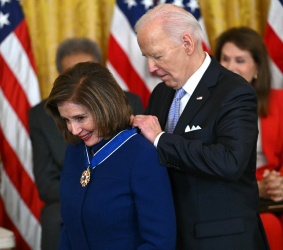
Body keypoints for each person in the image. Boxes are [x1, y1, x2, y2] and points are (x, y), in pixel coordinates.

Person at [132, 4, 270, 250]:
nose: (151, 68)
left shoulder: (235, 92)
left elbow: (230, 162)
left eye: (157, 56)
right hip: (171, 236)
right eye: (147, 57)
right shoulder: (160, 94)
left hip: (221, 240)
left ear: (187, 43)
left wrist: (161, 139)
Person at [45, 61, 176, 249]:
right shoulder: (74, 151)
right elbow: (68, 227)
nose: (73, 130)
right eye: (66, 120)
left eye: (80, 118)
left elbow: (159, 243)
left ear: (106, 107)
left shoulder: (141, 156)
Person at [28, 38, 143, 249]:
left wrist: (102, 195)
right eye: (71, 75)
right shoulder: (41, 115)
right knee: (56, 216)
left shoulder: (130, 102)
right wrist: (84, 194)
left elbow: (137, 168)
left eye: (87, 76)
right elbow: (46, 185)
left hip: (117, 195)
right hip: (67, 198)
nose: (79, 83)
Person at [215, 27, 283, 250]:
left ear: (257, 67)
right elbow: (212, 161)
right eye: (225, 59)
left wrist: (282, 183)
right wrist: (254, 187)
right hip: (237, 190)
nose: (231, 67)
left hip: (276, 188)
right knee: (267, 226)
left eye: (240, 60)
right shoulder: (208, 104)